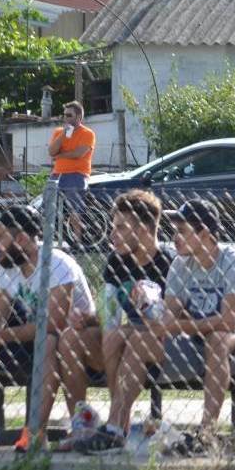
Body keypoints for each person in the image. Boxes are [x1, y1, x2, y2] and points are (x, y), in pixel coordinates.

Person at [112, 199, 235, 442]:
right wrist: (149, 308)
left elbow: (228, 323)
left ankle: (205, 435)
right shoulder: (180, 264)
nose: (175, 238)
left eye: (182, 231)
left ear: (205, 234)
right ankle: (114, 429)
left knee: (218, 339)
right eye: (175, 231)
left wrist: (174, 326)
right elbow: (169, 316)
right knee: (139, 341)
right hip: (199, 347)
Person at [0, 205, 96, 449]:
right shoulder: (8, 266)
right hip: (34, 339)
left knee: (48, 341)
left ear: (20, 238)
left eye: (0, 237)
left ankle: (35, 432)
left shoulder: (57, 264)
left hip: (74, 341)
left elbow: (52, 325)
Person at [35, 190, 176, 454]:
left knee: (119, 335)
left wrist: (143, 309)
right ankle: (82, 427)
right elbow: (109, 316)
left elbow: (172, 321)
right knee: (71, 338)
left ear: (144, 229)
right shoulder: (116, 261)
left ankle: (116, 426)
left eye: (120, 228)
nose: (112, 235)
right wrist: (87, 319)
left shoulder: (169, 263)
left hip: (159, 346)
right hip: (120, 342)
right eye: (113, 227)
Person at [47, 100, 95, 239]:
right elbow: (51, 152)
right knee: (47, 207)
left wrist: (60, 155)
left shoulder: (88, 133)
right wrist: (64, 134)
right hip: (57, 174)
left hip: (76, 175)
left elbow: (78, 154)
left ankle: (78, 242)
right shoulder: (58, 132)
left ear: (79, 117)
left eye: (69, 115)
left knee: (75, 210)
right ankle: (48, 239)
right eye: (64, 115)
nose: (65, 118)